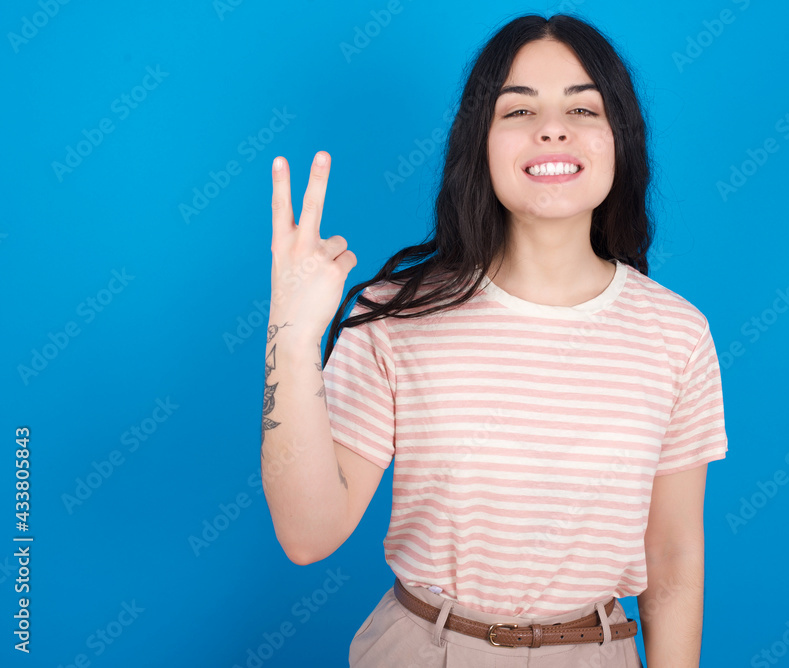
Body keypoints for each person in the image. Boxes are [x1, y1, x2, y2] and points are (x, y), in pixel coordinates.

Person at [261, 12, 728, 668]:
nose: (552, 128)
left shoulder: (677, 334)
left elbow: (674, 560)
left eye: (583, 108)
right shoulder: (396, 316)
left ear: (620, 137)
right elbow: (309, 534)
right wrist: (290, 335)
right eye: (518, 110)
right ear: (477, 141)